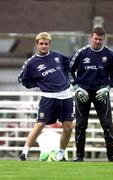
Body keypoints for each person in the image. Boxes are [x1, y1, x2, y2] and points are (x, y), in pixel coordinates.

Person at [18, 32, 74, 161]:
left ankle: (60, 154)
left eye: (46, 44)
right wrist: (37, 83)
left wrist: (71, 81)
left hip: (66, 96)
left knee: (69, 127)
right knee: (40, 124)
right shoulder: (31, 63)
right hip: (48, 97)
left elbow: (70, 66)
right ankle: (24, 153)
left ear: (49, 44)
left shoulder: (57, 56)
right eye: (41, 44)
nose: (44, 46)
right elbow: (22, 80)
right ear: (37, 44)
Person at [69, 27, 113, 162]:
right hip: (83, 93)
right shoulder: (81, 53)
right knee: (80, 125)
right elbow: (69, 71)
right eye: (95, 38)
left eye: (100, 39)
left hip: (101, 94)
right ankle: (79, 156)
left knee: (107, 124)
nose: (97, 41)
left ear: (103, 39)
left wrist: (108, 88)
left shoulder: (110, 55)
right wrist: (76, 88)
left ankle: (111, 156)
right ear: (90, 38)